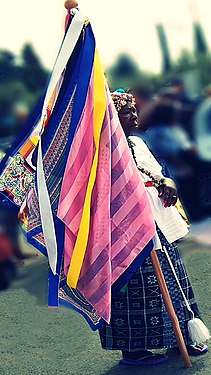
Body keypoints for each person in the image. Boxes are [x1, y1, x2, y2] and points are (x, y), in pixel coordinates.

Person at [98, 91, 208, 365]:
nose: (134, 116)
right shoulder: (100, 151)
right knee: (136, 287)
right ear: (111, 116)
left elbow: (155, 174)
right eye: (126, 112)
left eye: (134, 110)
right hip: (124, 232)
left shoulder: (136, 143)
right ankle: (134, 351)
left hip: (156, 223)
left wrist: (166, 183)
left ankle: (179, 339)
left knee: (170, 280)